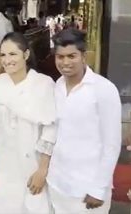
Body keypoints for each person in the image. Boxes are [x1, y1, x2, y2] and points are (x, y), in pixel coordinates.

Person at [47, 28, 121, 214]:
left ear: (83, 56)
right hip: (57, 185)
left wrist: (98, 189)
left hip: (88, 189)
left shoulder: (103, 89)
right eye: (60, 57)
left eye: (72, 56)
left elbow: (111, 144)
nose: (65, 63)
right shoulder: (57, 86)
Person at [0, 32, 56, 213]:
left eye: (13, 54)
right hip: (4, 165)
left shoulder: (43, 84)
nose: (7, 60)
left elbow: (50, 129)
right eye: (3, 55)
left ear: (26, 54)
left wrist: (42, 170)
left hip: (33, 164)